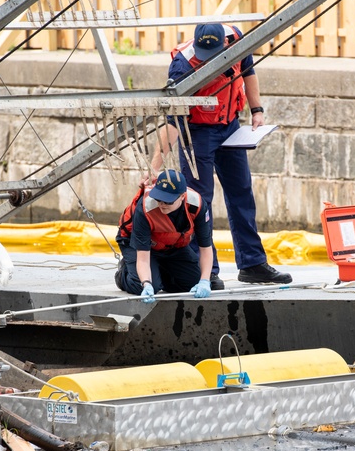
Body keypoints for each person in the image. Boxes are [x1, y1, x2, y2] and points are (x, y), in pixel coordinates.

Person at [150, 23, 292, 287]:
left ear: (225, 45)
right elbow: (172, 121)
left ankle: (252, 263)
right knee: (198, 201)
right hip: (197, 133)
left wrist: (257, 109)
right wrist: (153, 168)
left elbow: (248, 71)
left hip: (230, 126)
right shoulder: (182, 66)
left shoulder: (237, 39)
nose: (208, 60)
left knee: (242, 192)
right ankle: (206, 271)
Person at [114, 169, 214, 303]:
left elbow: (205, 248)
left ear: (182, 196)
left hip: (171, 245)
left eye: (168, 201)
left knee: (192, 284)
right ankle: (124, 274)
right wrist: (147, 283)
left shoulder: (197, 205)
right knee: (144, 286)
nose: (162, 204)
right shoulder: (145, 207)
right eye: (159, 199)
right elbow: (143, 258)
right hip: (139, 245)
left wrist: (205, 281)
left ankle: (158, 271)